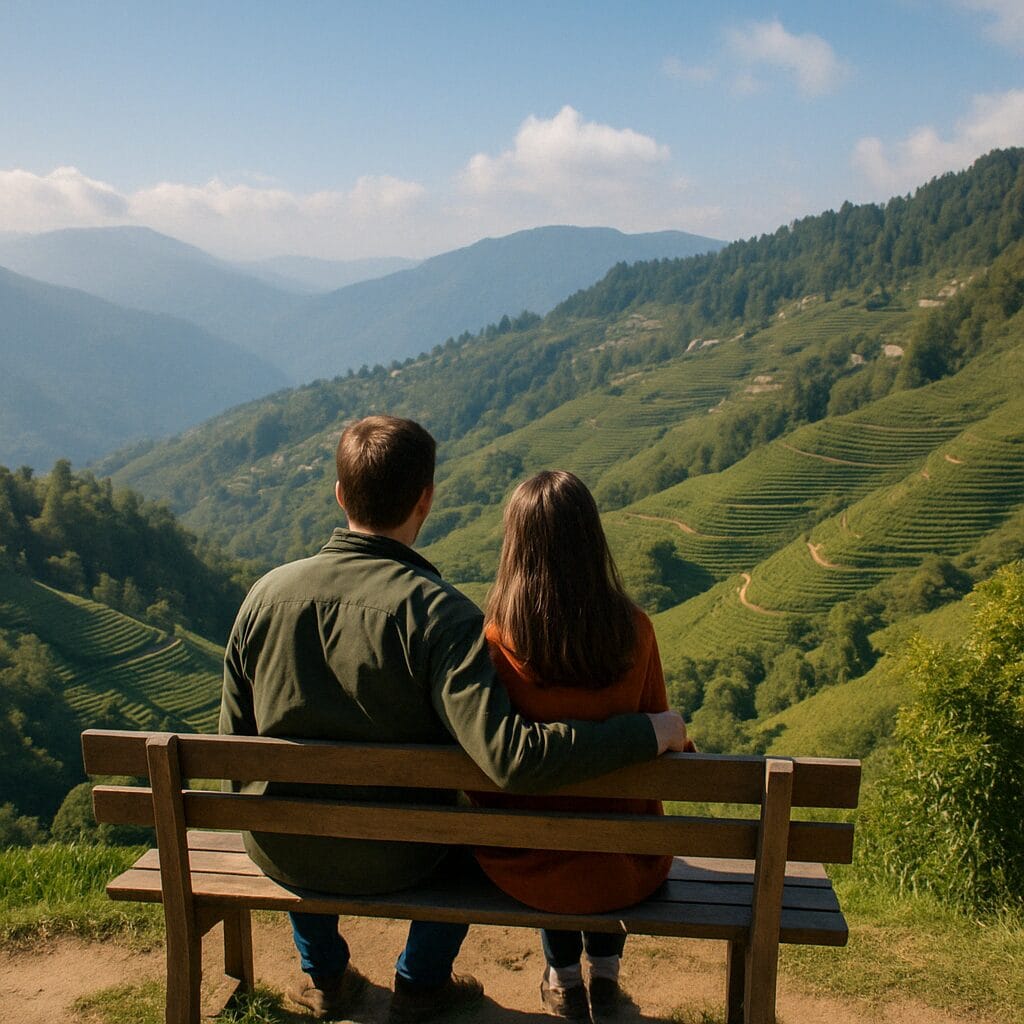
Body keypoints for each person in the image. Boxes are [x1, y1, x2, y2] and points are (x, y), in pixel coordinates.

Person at [219, 416, 688, 1023]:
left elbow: (232, 745)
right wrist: (649, 732)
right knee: (473, 820)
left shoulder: (263, 597)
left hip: (285, 846)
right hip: (405, 856)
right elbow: (509, 756)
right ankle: (420, 981)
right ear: (426, 499)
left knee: (293, 806)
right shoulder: (441, 616)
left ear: (339, 494)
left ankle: (326, 976)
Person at [471, 470, 695, 1021]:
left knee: (551, 820)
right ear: (592, 540)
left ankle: (565, 977)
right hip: (626, 864)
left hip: (528, 864)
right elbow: (664, 739)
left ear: (515, 547)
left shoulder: (497, 643)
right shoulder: (635, 632)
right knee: (602, 830)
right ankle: (606, 973)